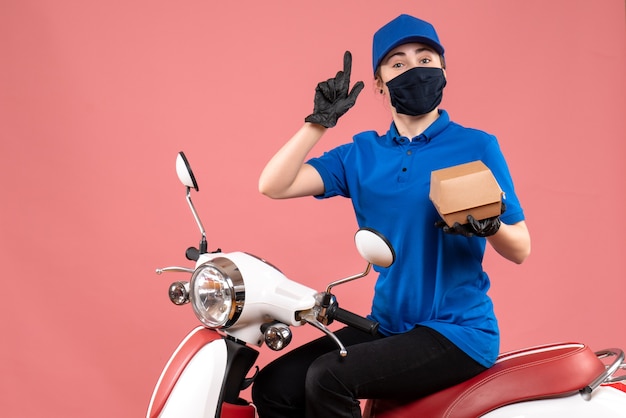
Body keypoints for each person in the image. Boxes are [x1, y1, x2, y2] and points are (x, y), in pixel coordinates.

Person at [253, 13, 531, 418]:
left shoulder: (476, 146)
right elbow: (272, 185)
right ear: (380, 84)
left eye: (425, 59)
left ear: (443, 72)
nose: (414, 70)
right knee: (275, 386)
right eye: (398, 64)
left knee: (329, 376)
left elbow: (521, 247)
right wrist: (319, 122)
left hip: (457, 331)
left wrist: (491, 228)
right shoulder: (361, 155)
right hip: (386, 325)